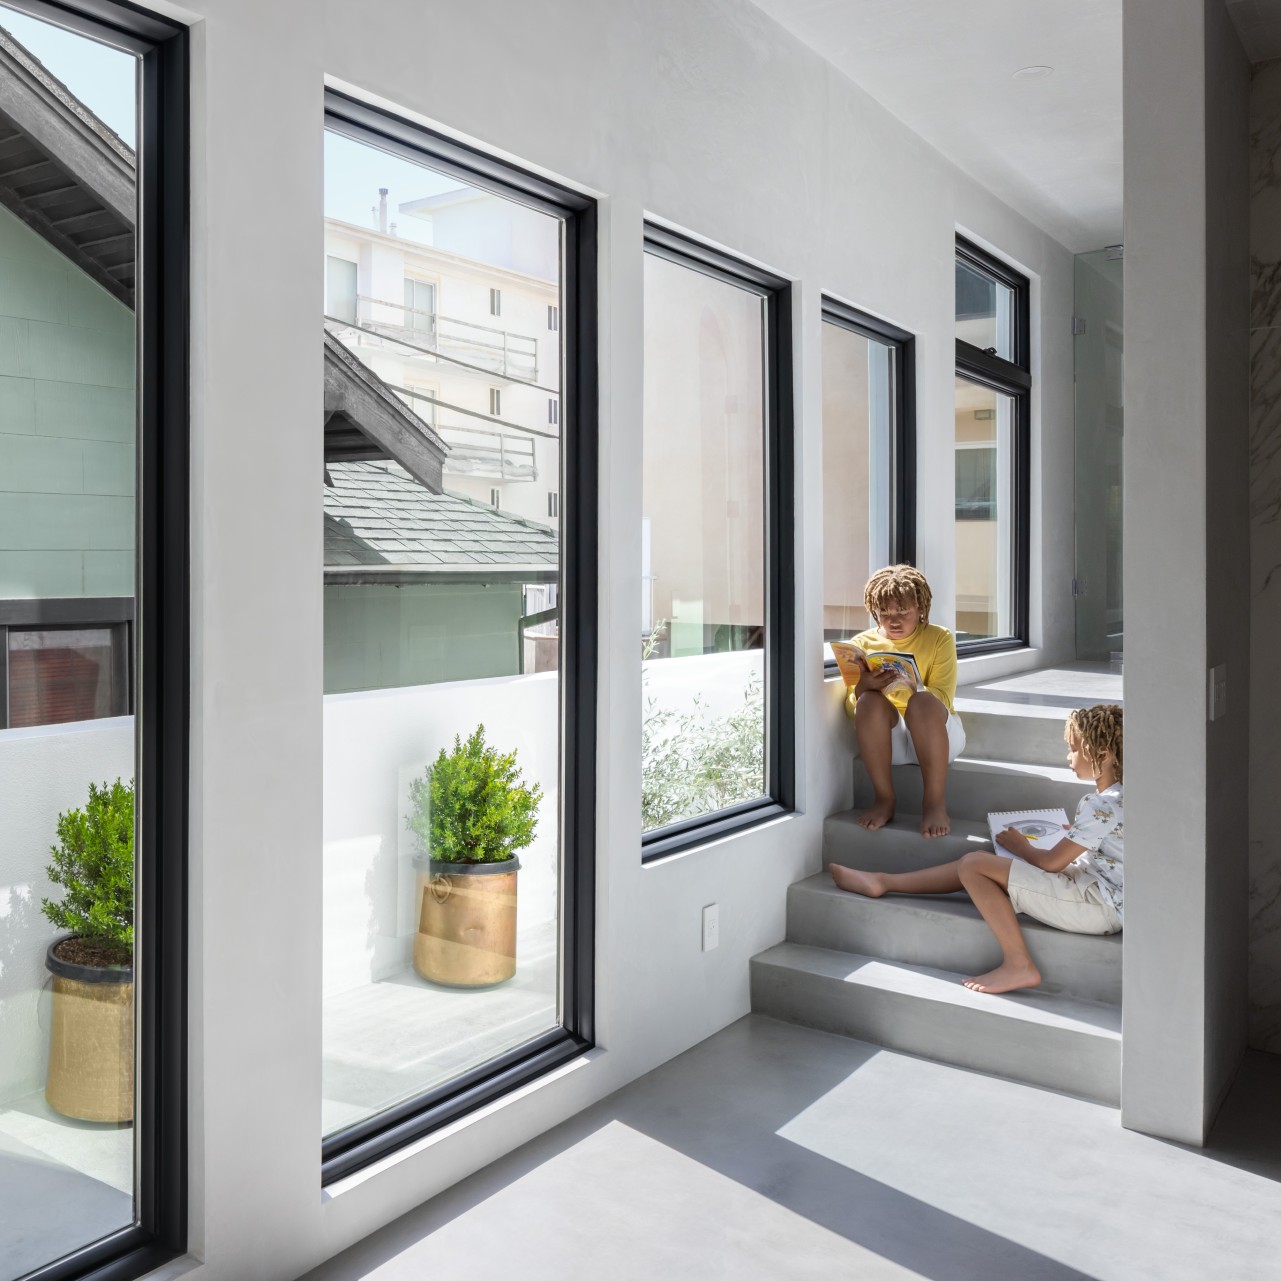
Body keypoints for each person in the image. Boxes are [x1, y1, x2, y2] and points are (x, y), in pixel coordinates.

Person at [829, 704, 1124, 995]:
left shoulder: (1103, 804)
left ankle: (1019, 964)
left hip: (1096, 906)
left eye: (1073, 749)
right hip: (1098, 891)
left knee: (974, 865)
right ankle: (884, 882)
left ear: (1102, 755)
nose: (1067, 757)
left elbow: (1051, 864)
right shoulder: (1120, 794)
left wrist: (1021, 846)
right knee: (979, 863)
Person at [843, 565, 964, 838]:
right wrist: (863, 688)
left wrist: (912, 687)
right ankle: (884, 799)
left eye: (903, 612)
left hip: (938, 736)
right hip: (890, 743)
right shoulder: (861, 643)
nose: (893, 621)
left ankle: (934, 802)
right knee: (869, 703)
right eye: (884, 614)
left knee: (922, 702)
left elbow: (944, 698)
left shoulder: (939, 638)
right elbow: (854, 710)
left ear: (921, 608)